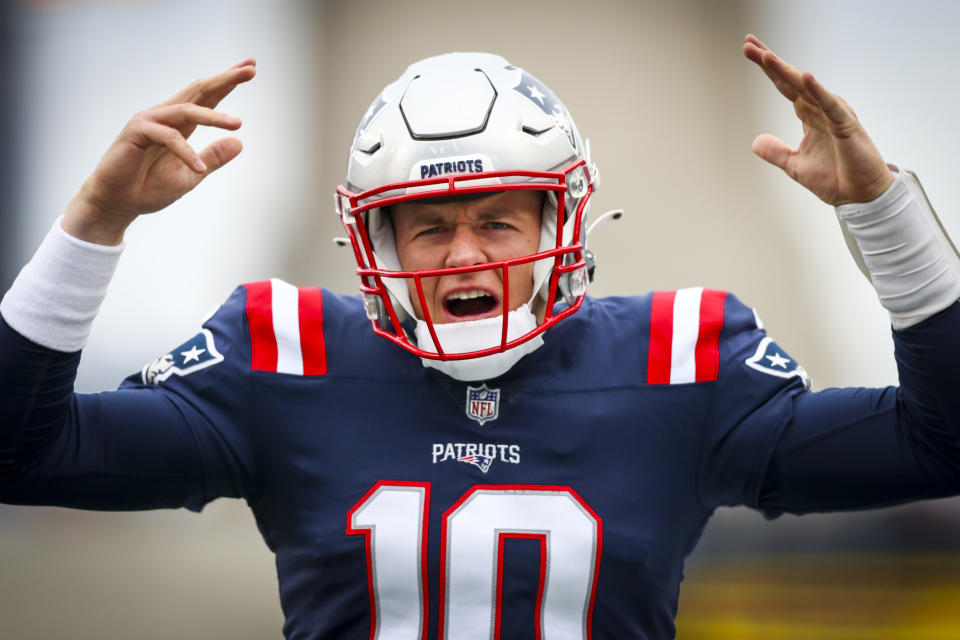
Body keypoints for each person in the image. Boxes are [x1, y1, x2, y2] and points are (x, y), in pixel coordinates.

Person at [2, 34, 959, 639]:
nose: (464, 254)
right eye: (428, 224)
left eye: (499, 219)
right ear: (374, 238)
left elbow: (942, 440)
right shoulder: (280, 352)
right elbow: (21, 454)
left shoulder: (681, 359)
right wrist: (94, 221)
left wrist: (883, 214)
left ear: (562, 227)